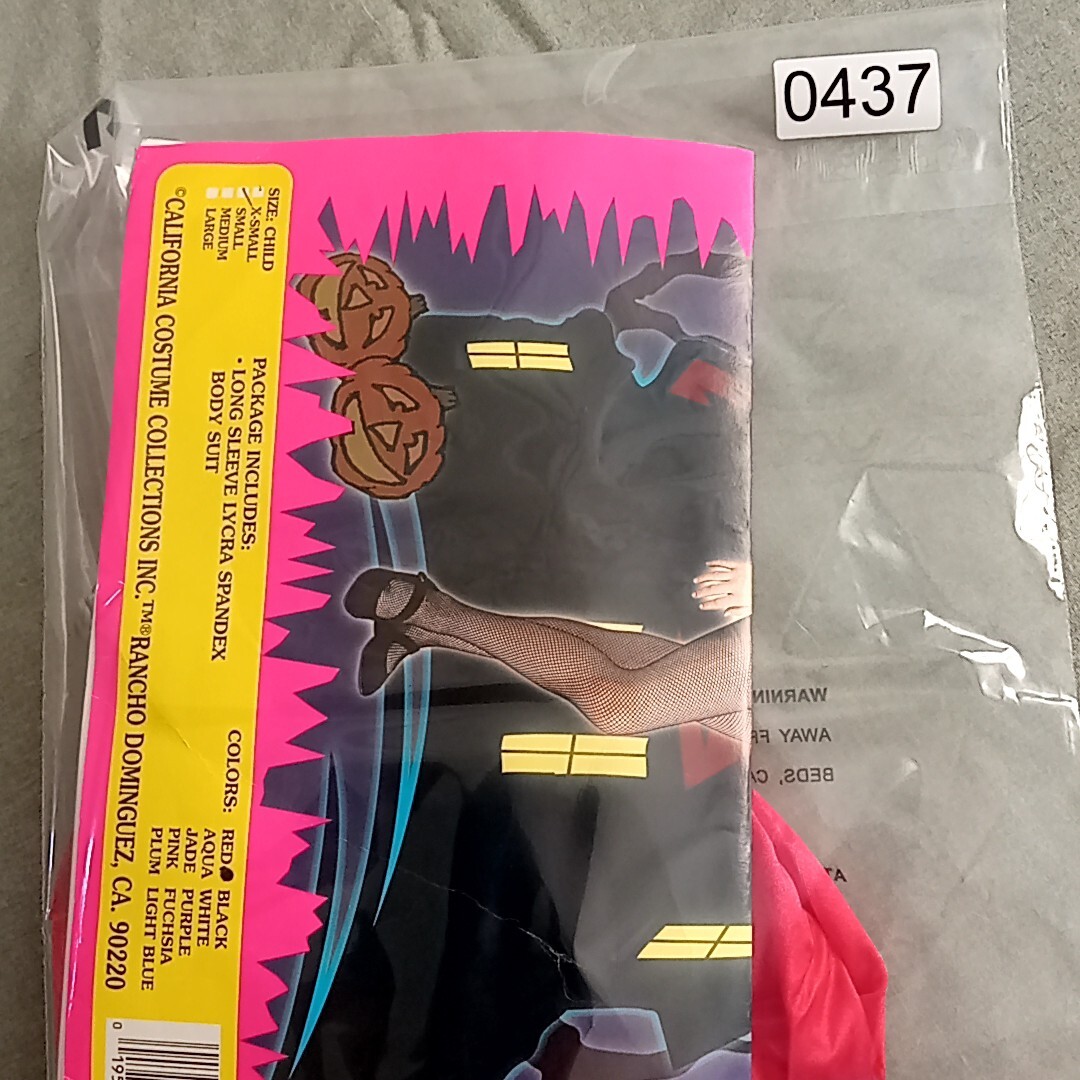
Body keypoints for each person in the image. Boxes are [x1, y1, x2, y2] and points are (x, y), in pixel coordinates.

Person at [344, 561, 752, 742]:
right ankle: (433, 611)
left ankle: (426, 630)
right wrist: (775, 581)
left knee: (635, 664)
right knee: (622, 704)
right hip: (788, 642)